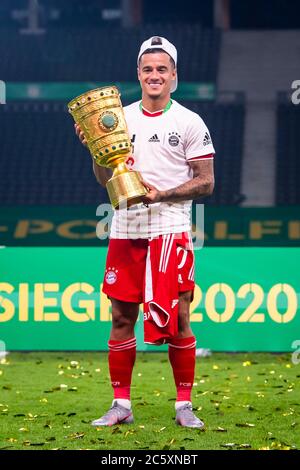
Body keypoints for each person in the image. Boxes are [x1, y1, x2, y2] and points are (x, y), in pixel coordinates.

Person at [75, 36, 215, 428]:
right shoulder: (118, 118)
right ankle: (121, 405)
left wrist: (163, 194)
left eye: (162, 70)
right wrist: (96, 152)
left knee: (180, 317)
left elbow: (206, 183)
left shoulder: (189, 121)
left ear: (174, 76)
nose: (155, 75)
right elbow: (105, 178)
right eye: (148, 69)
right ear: (138, 74)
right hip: (125, 230)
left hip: (170, 231)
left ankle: (183, 406)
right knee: (121, 315)